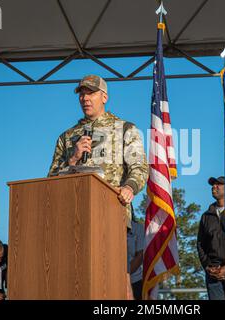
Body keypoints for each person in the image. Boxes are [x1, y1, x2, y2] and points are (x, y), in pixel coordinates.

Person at [48, 74, 149, 227]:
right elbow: (50, 181)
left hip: (112, 212)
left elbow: (140, 168)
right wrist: (73, 159)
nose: (85, 98)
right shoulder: (67, 137)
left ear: (104, 97)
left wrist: (129, 187)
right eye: (82, 94)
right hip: (72, 215)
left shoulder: (124, 128)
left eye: (91, 93)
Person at [127, 206, 144, 300]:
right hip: (112, 279)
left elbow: (140, 256)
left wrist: (124, 273)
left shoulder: (138, 228)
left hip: (135, 281)